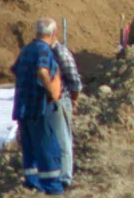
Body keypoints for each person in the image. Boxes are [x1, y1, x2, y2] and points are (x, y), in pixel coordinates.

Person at [12, 18, 68, 195]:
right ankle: (52, 187)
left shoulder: (27, 49)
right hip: (38, 107)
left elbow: (15, 69)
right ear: (53, 34)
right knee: (47, 146)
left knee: (29, 147)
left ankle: (32, 182)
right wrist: (52, 92)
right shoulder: (44, 50)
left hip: (23, 106)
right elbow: (42, 71)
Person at [51, 31, 83, 188]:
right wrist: (74, 98)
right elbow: (74, 79)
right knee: (63, 139)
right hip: (58, 99)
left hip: (49, 101)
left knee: (56, 138)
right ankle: (63, 176)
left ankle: (59, 175)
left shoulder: (36, 51)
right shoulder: (58, 52)